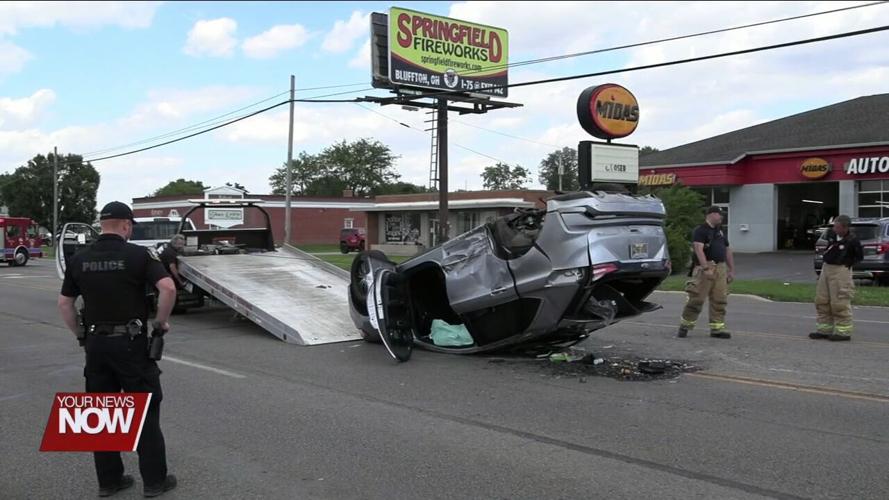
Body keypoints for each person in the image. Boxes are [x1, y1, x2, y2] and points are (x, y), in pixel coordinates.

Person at [56, 201, 178, 498]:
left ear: (101, 224)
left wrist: (82, 335)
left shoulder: (79, 258)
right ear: (126, 225)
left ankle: (109, 481)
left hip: (96, 345)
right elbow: (168, 288)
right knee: (145, 411)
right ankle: (154, 482)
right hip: (131, 344)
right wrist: (161, 323)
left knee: (101, 412)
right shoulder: (138, 255)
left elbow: (65, 304)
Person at [677, 206, 735, 339]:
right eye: (720, 215)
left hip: (720, 267)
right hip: (706, 267)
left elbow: (727, 250)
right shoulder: (701, 230)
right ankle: (685, 326)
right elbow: (698, 249)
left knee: (720, 299)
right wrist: (706, 268)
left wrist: (731, 270)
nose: (721, 217)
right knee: (697, 298)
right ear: (711, 214)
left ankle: (717, 329)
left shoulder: (720, 231)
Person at [810, 215, 863, 341]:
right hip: (827, 268)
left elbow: (859, 257)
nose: (834, 229)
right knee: (822, 299)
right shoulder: (831, 235)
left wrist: (847, 264)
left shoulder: (853, 240)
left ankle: (843, 332)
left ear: (845, 227)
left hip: (841, 271)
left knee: (840, 301)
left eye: (837, 227)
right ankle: (824, 329)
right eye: (834, 226)